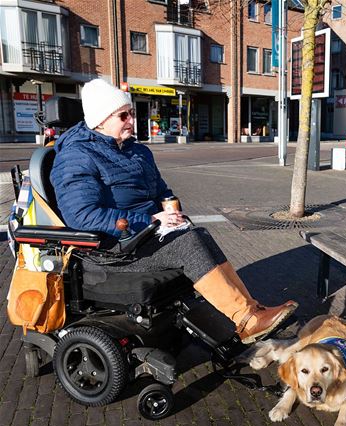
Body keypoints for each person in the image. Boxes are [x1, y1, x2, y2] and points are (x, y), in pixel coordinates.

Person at [50, 78, 297, 344]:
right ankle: (244, 318)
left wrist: (172, 210)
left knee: (198, 234)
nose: (132, 120)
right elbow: (82, 215)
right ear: (100, 120)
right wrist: (149, 220)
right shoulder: (77, 156)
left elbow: (161, 191)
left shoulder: (137, 152)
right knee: (188, 245)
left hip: (146, 235)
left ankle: (251, 309)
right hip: (113, 250)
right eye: (123, 116)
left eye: (131, 113)